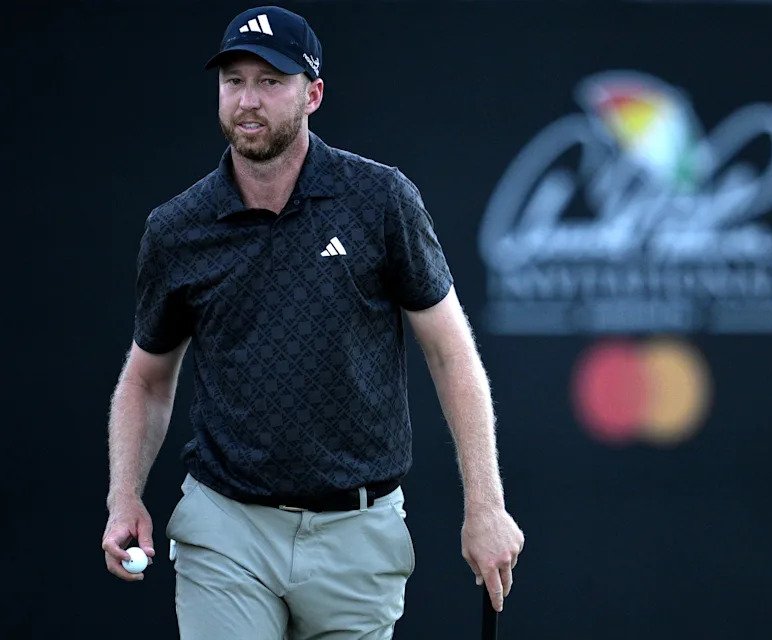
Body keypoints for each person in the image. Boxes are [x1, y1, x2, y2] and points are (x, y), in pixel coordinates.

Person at [100, 6, 524, 639]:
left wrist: (486, 506)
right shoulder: (177, 229)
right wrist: (124, 495)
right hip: (227, 528)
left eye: (270, 82)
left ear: (313, 94)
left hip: (358, 533)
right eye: (234, 81)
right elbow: (147, 378)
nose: (248, 100)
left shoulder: (379, 200)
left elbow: (450, 352)